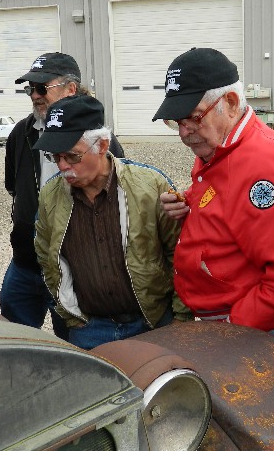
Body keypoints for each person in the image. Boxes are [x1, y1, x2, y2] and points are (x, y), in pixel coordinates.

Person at [153, 47, 274, 345]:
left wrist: (230, 329)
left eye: (192, 118)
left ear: (230, 103)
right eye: (177, 122)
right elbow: (228, 195)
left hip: (250, 331)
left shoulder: (263, 166)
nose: (183, 133)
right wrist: (189, 200)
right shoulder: (219, 146)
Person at [33, 95, 192, 349]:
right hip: (88, 330)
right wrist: (71, 317)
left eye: (72, 156)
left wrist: (180, 318)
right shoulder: (50, 196)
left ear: (103, 145)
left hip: (152, 324)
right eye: (55, 157)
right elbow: (46, 256)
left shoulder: (150, 186)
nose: (63, 166)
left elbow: (181, 253)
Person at [2, 52, 124, 339]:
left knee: (69, 347)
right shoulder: (21, 133)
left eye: (42, 88)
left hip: (71, 270)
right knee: (13, 338)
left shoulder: (101, 143)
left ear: (71, 89)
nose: (34, 96)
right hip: (25, 263)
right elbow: (13, 187)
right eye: (30, 89)